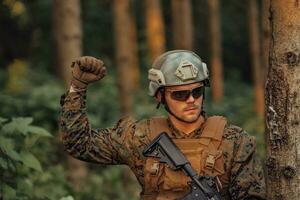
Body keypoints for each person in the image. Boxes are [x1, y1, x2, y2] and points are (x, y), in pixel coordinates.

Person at [59, 50, 266, 200]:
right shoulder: (140, 137)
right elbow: (80, 145)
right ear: (160, 96)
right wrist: (77, 88)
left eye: (197, 91)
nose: (191, 100)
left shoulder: (234, 141)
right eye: (180, 94)